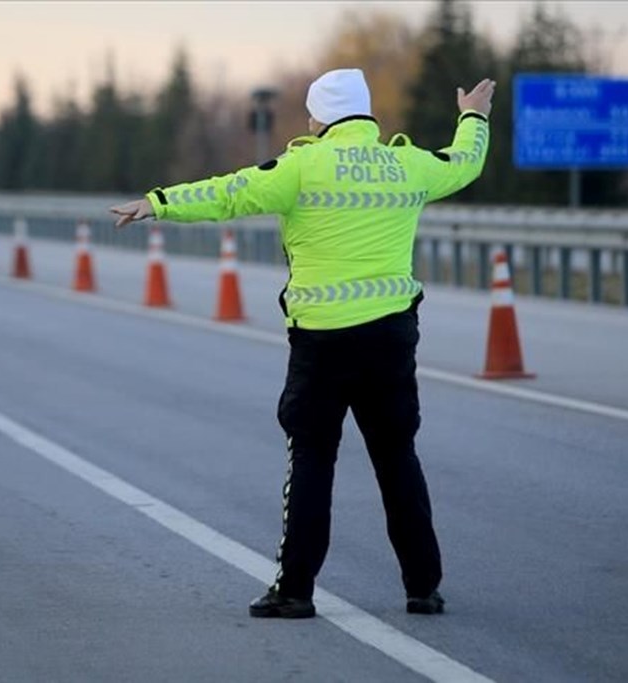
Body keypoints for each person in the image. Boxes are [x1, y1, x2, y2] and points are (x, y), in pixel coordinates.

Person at [110, 68, 495, 619]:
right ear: (364, 113)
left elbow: (230, 192)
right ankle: (422, 587)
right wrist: (472, 118)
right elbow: (465, 164)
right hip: (390, 336)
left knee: (313, 458)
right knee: (396, 457)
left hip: (323, 341)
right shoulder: (406, 163)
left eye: (312, 113)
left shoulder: (301, 166)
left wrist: (159, 202)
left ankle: (295, 591)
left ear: (321, 117)